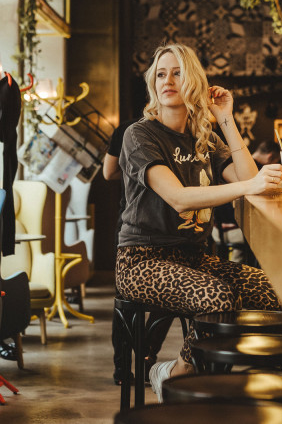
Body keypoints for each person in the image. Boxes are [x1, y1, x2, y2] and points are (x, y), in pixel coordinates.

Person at [116, 43, 282, 402]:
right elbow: (178, 198)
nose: (168, 80)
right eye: (161, 74)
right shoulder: (140, 135)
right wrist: (250, 184)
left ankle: (272, 394)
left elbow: (248, 178)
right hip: (142, 261)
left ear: (194, 80)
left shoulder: (203, 138)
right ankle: (177, 377)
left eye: (177, 72)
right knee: (217, 296)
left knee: (276, 289)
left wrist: (224, 118)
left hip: (192, 257)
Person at [103, 118, 174, 385]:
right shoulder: (182, 132)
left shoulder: (126, 129)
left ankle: (122, 369)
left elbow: (108, 172)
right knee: (169, 294)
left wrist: (137, 168)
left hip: (131, 221)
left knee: (126, 298)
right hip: (172, 222)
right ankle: (147, 356)